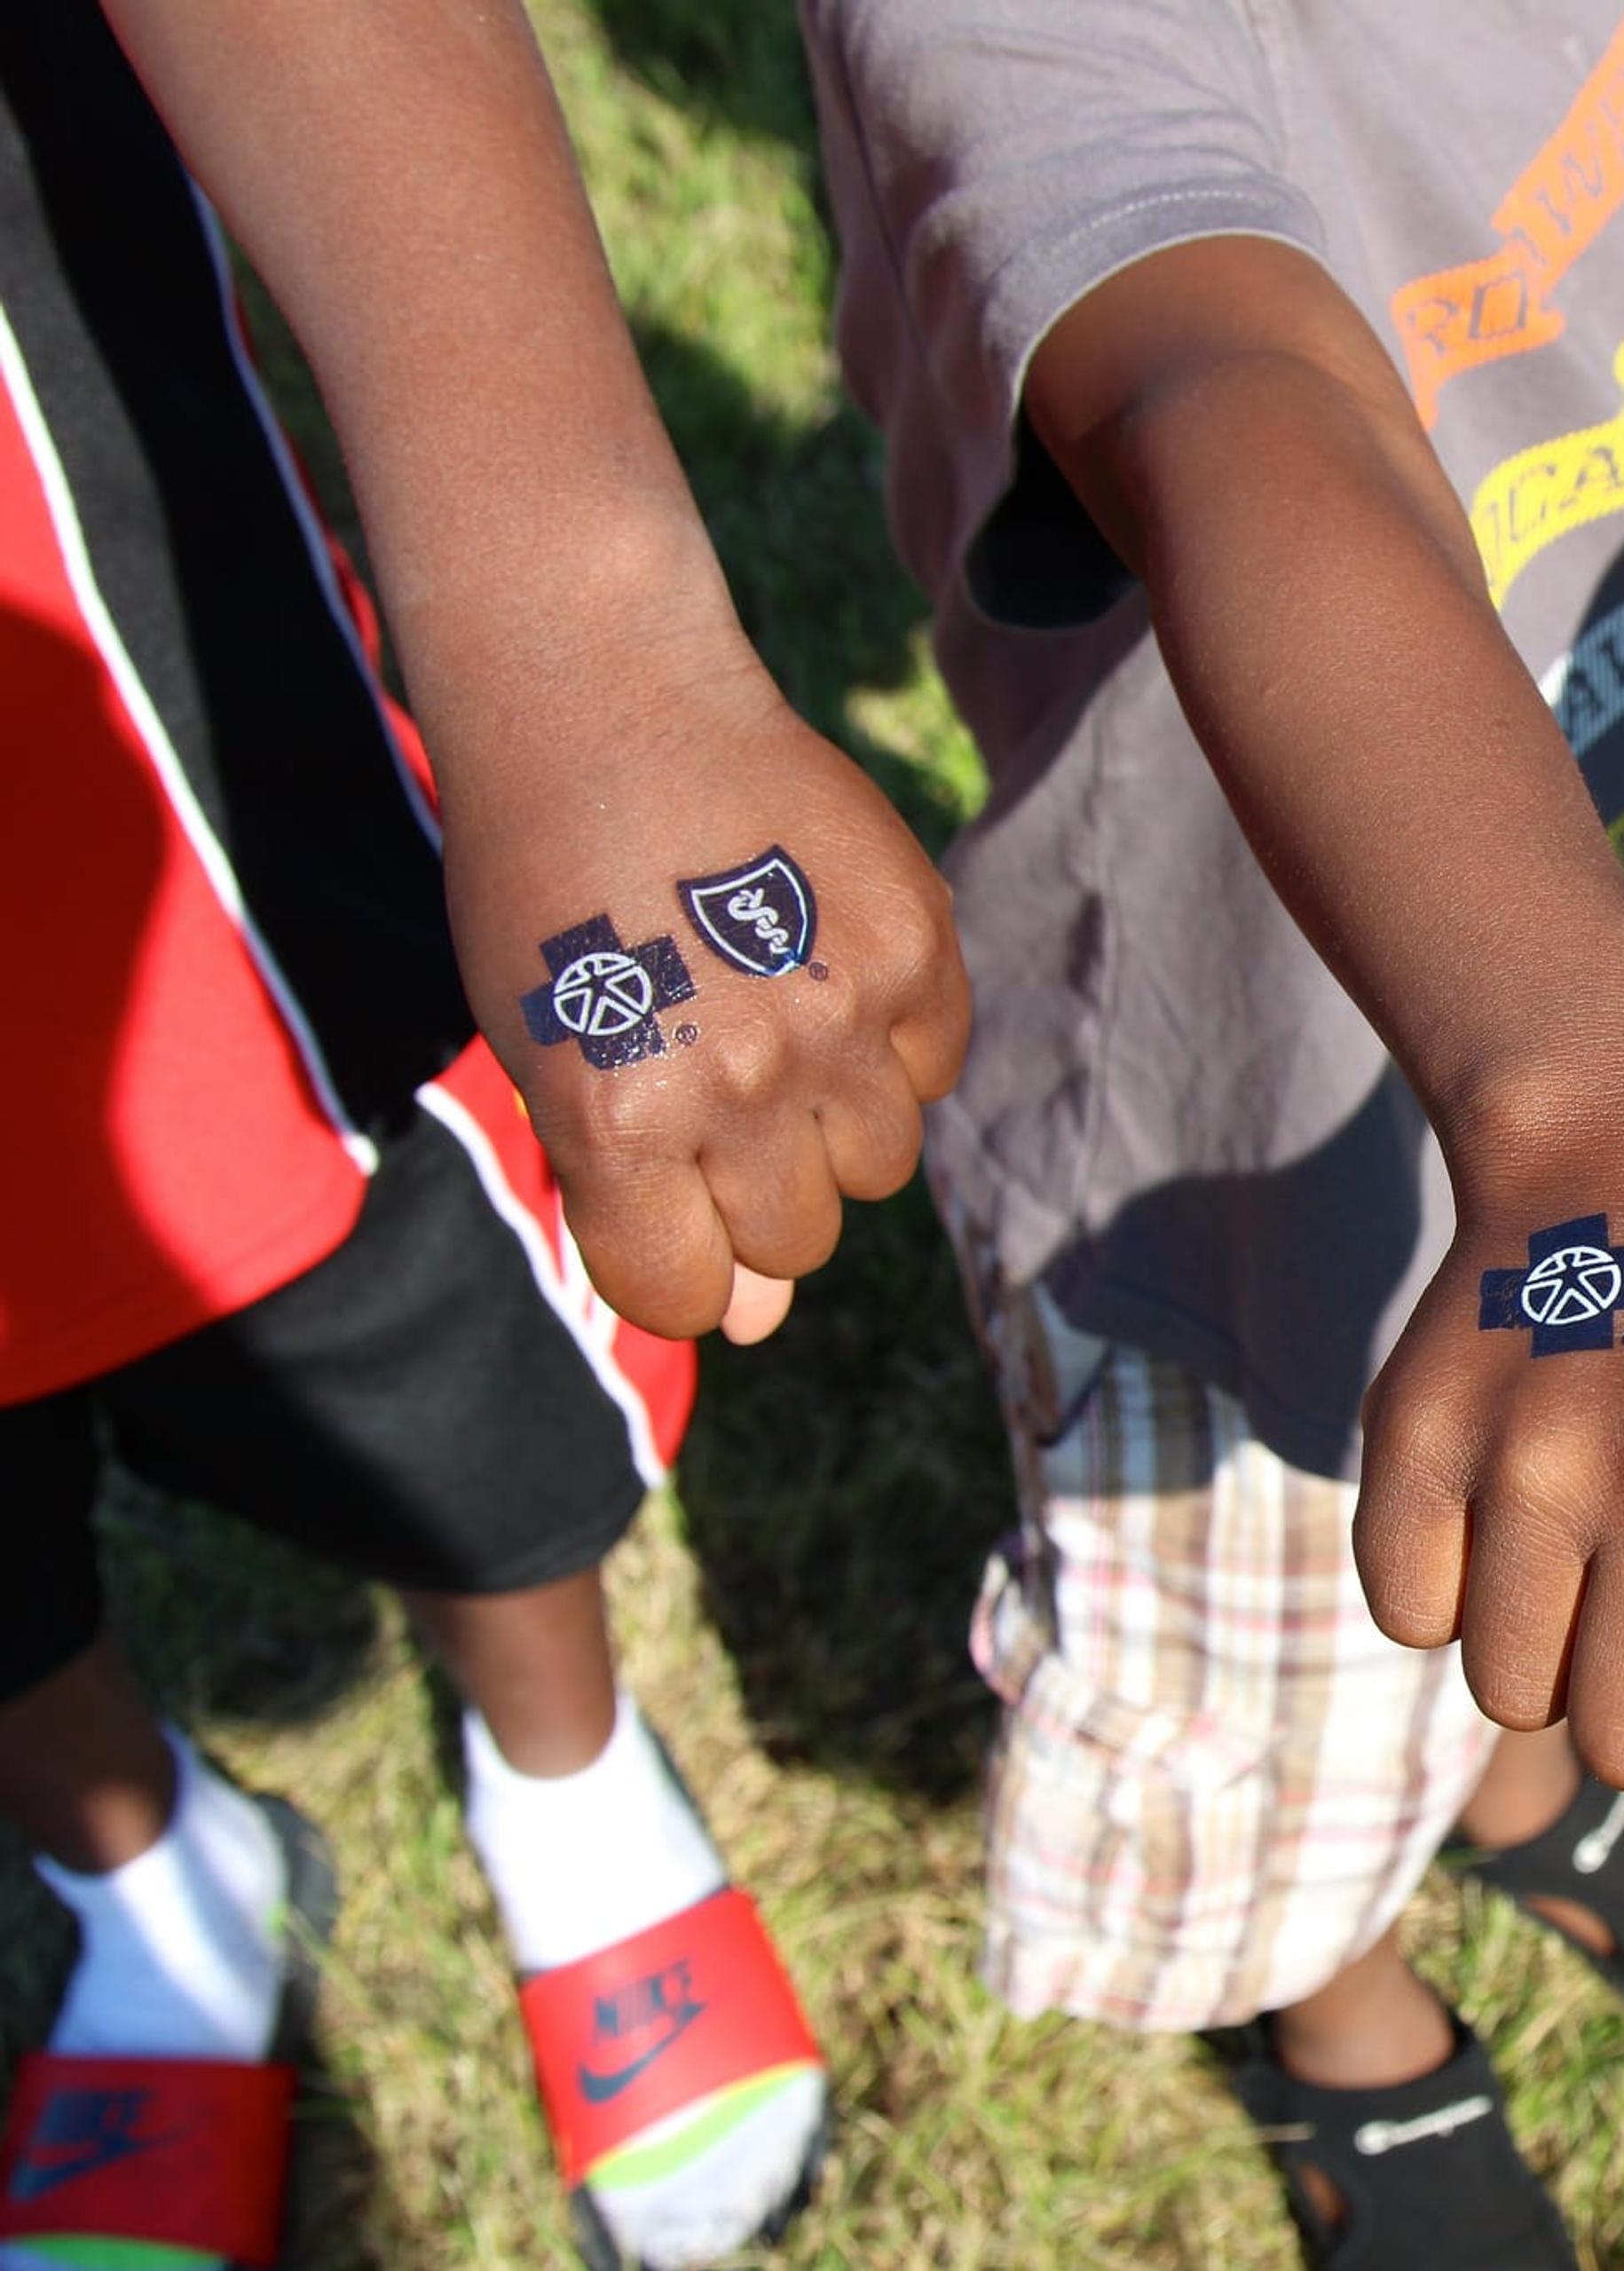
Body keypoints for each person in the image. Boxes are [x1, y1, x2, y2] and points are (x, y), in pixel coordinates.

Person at [801, 0, 1624, 2256]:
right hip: (1239, 1129)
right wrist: (1609, 1098)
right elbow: (1233, 390)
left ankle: (1512, 1792)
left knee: (1513, 1574)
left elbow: (1607, 211)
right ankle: (1348, 2023)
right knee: (1284, 1678)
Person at [0, 0, 969, 2264]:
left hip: (98, 669)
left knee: (391, 1275)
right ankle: (140, 1874)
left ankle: (565, 1778)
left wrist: (586, 624)